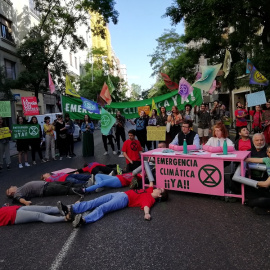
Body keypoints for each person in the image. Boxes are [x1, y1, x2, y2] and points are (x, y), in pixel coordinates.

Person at [57, 180, 169, 228]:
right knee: (94, 201)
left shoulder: (151, 199)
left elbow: (146, 207)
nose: (157, 188)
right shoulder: (150, 190)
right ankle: (69, 208)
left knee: (103, 207)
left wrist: (147, 214)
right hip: (119, 194)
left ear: (159, 195)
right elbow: (151, 181)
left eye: (160, 189)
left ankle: (83, 220)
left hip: (123, 200)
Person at [6, 181, 85, 206]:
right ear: (11, 193)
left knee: (65, 184)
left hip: (46, 184)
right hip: (45, 189)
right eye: (10, 187)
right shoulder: (17, 193)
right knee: (65, 190)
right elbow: (19, 199)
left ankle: (84, 184)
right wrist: (25, 202)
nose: (11, 186)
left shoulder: (20, 188)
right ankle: (84, 190)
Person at [72, 172, 142, 195]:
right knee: (98, 175)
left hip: (119, 182)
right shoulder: (137, 172)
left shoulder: (139, 178)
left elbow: (134, 184)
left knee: (103, 182)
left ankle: (85, 190)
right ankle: (99, 186)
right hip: (117, 177)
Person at [0, 204, 70, 226]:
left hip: (16, 208)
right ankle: (65, 218)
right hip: (13, 216)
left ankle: (71, 207)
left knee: (47, 208)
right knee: (40, 216)